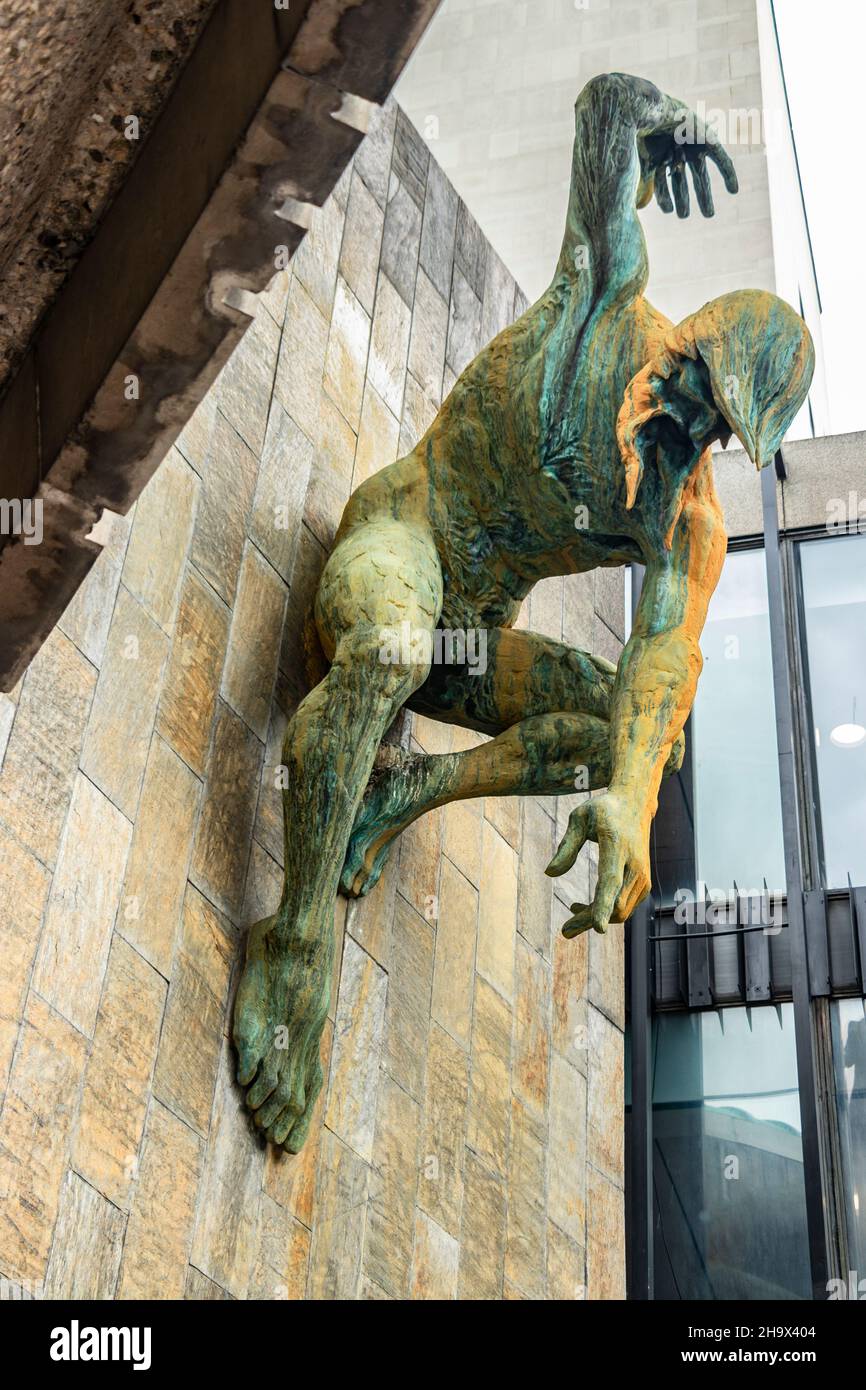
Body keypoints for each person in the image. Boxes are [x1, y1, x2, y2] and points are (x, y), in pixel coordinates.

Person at [234, 72, 815, 1150]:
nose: (685, 417)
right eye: (692, 380)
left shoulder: (682, 524)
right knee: (390, 644)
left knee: (625, 738)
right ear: (682, 338)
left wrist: (630, 800)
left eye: (715, 425)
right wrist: (659, 117)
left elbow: (661, 665)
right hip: (399, 547)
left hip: (465, 642)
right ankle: (297, 939)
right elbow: (600, 111)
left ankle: (406, 789)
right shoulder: (599, 298)